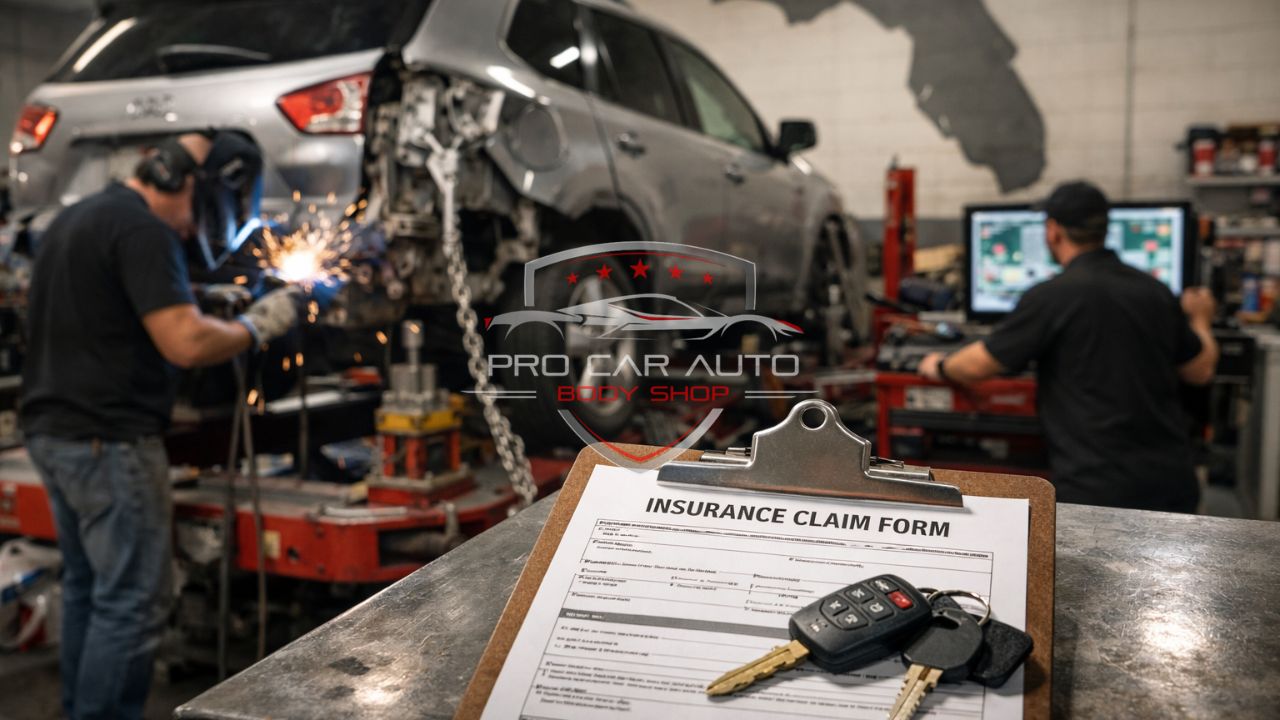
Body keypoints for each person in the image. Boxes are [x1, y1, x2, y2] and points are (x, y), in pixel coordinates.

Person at [20, 132, 301, 719]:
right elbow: (186, 341)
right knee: (131, 605)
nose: (188, 236)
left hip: (54, 433)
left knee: (88, 590)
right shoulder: (145, 230)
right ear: (187, 186)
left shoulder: (78, 218)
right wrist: (256, 326)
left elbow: (105, 305)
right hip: (109, 443)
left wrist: (191, 291)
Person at [918, 181, 1218, 512]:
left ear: (1053, 231)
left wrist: (939, 365)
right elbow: (1201, 370)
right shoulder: (1155, 291)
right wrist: (1201, 320)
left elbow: (977, 366)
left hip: (1096, 492)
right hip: (1171, 484)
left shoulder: (1051, 296)